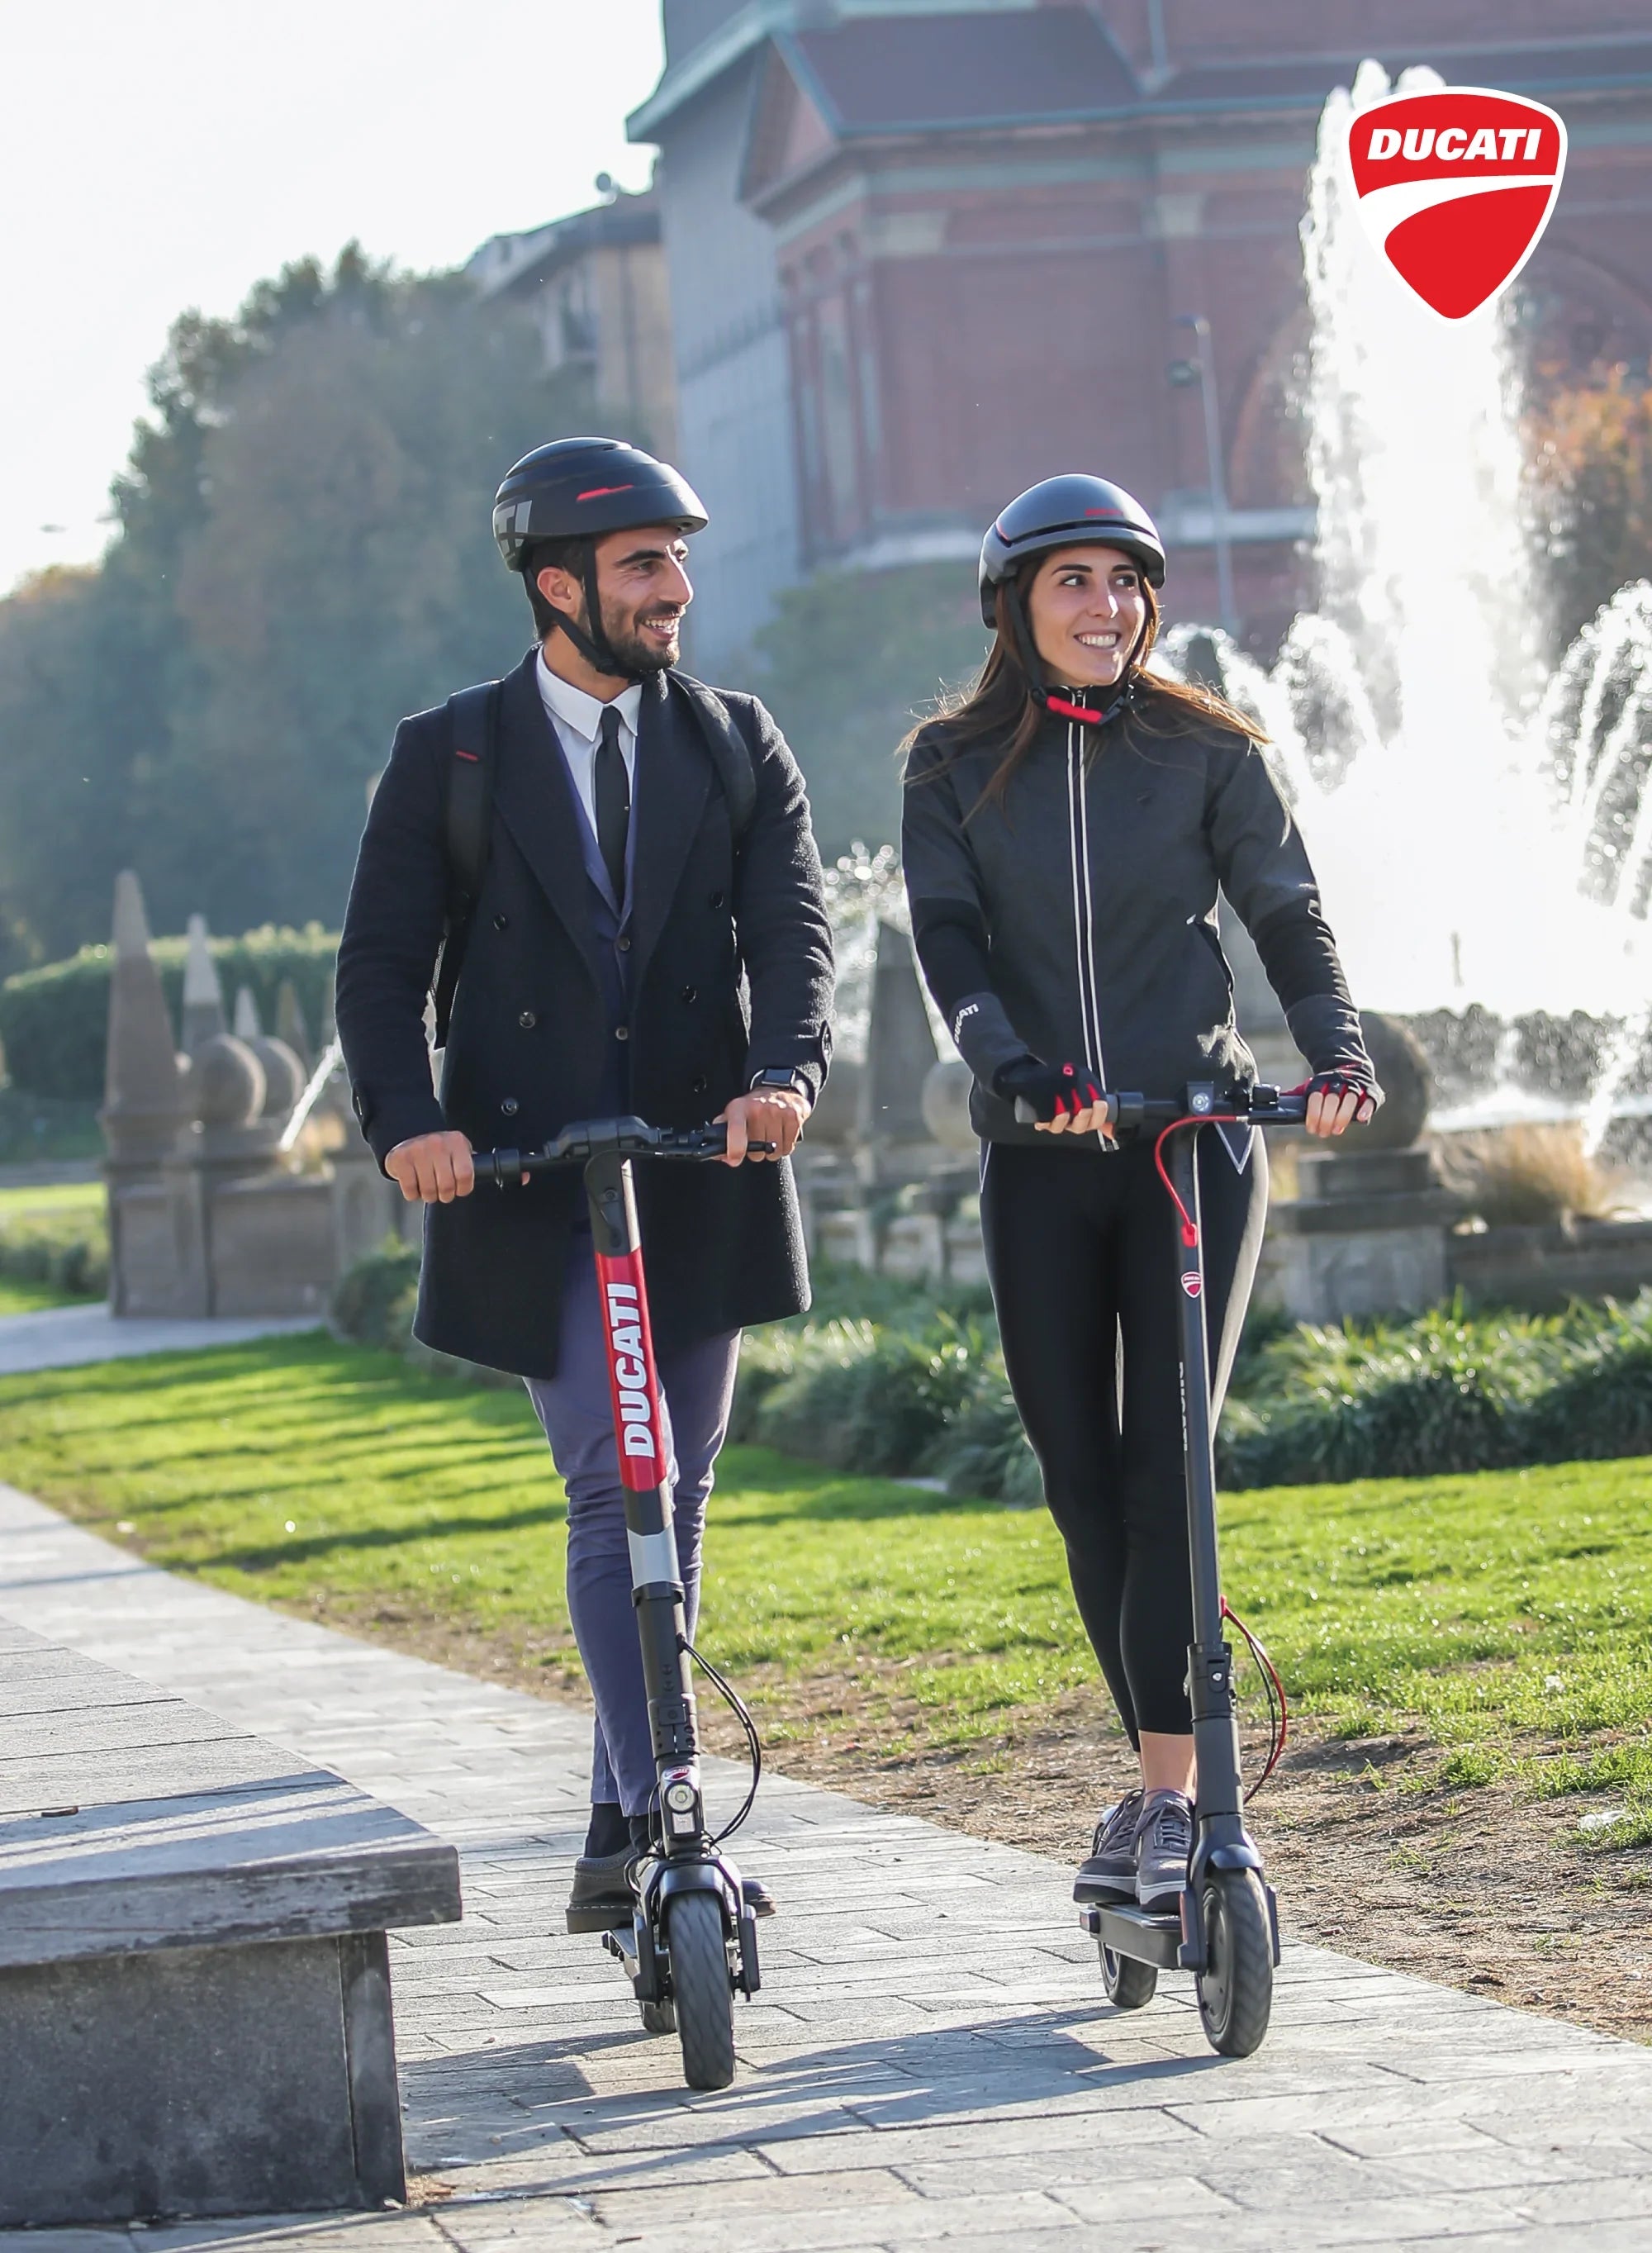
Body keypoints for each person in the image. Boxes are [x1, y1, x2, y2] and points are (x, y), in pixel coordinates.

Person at [335, 437, 833, 1924]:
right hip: (530, 1175)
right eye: (642, 566)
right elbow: (378, 967)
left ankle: (628, 1810)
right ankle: (667, 1808)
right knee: (612, 1484)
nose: (676, 589)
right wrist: (408, 1121)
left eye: (679, 560)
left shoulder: (738, 742)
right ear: (557, 586)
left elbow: (794, 934)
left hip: (702, 1160)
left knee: (677, 1491)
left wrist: (786, 1072)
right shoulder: (453, 753)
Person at [900, 474, 1379, 1913]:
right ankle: (1153, 1784)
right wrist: (1013, 1062)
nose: (1106, 606)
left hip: (1189, 1150)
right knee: (1080, 1480)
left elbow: (1286, 910)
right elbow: (949, 940)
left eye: (1125, 581)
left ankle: (1176, 1800)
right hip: (1044, 1159)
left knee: (1173, 1467)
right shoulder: (950, 760)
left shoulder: (1208, 749)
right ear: (1016, 606)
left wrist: (1337, 1046)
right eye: (1074, 582)